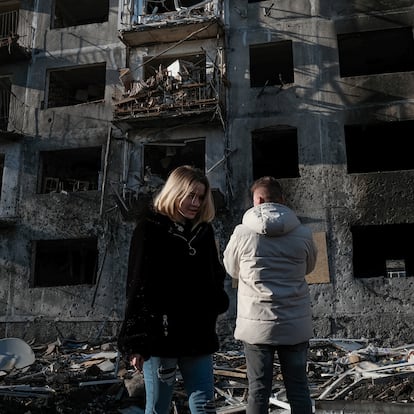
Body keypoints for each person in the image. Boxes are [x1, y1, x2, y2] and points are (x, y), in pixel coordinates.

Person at [117, 165, 229, 414]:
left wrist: (215, 301)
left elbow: (215, 274)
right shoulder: (150, 228)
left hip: (198, 334)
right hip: (161, 337)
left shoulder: (203, 231)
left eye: (200, 197)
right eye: (190, 195)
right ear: (175, 192)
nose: (196, 203)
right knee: (158, 408)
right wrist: (136, 341)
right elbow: (137, 285)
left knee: (204, 405)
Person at [223, 176, 317, 414]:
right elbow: (310, 267)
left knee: (258, 390)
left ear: (258, 200)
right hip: (294, 325)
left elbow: (231, 269)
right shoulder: (303, 233)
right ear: (282, 200)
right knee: (298, 389)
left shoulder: (242, 233)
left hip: (256, 327)